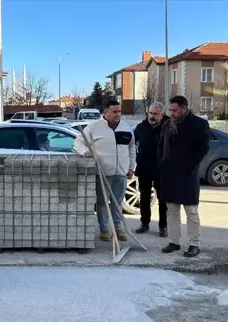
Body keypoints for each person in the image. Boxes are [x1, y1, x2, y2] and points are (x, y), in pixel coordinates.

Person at [74, 100, 136, 242]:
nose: (118, 114)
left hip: (121, 173)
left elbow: (132, 149)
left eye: (119, 111)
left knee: (118, 203)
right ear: (106, 113)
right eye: (114, 111)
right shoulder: (94, 127)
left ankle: (118, 228)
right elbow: (78, 141)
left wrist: (131, 167)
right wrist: (84, 151)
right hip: (102, 173)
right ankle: (105, 229)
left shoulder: (126, 128)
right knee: (102, 203)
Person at [158, 95, 210, 257]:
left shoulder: (199, 124)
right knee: (171, 210)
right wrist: (162, 162)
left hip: (187, 174)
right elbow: (161, 146)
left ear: (184, 108)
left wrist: (191, 165)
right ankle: (174, 241)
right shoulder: (167, 124)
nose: (171, 113)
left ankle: (194, 244)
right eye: (170, 110)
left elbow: (203, 148)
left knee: (191, 211)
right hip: (169, 174)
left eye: (174, 110)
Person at [133, 101, 169, 237]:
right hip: (144, 167)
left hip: (162, 169)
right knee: (144, 197)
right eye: (151, 113)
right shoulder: (141, 127)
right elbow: (131, 144)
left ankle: (163, 226)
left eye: (156, 114)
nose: (152, 116)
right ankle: (144, 223)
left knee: (163, 199)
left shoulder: (169, 127)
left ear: (162, 114)